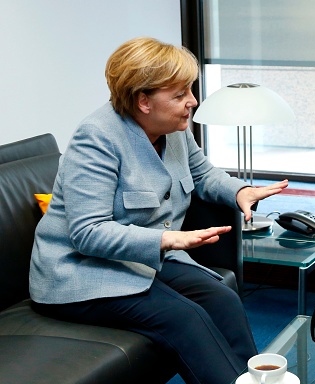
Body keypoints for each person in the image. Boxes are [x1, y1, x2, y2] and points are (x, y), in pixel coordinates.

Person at [29, 37, 288, 384]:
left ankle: (255, 380)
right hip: (80, 274)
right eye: (180, 95)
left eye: (190, 91)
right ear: (143, 101)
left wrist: (241, 191)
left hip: (137, 260)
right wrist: (168, 240)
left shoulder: (174, 129)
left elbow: (203, 173)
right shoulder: (97, 138)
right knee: (185, 318)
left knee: (221, 298)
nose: (192, 102)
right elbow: (87, 233)